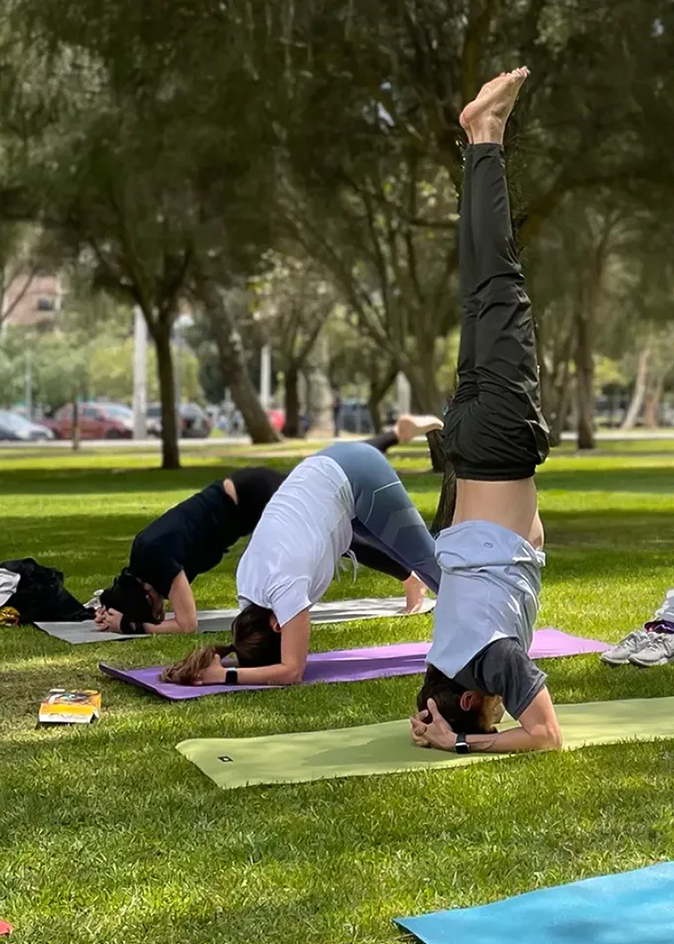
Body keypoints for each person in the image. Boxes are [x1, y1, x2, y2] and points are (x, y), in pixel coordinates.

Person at [409, 68, 563, 756]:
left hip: (497, 444)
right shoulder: (447, 649)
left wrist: (461, 744)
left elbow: (546, 738)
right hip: (469, 447)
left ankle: (487, 133)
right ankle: (478, 136)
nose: (503, 706)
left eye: (489, 711)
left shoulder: (493, 656)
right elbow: (441, 695)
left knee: (499, 279)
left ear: (473, 699)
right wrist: (431, 716)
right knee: (481, 289)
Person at [97, 415, 442, 635]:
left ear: (145, 592)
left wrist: (131, 625)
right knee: (341, 490)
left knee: (344, 531)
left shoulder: (156, 560)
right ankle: (396, 434)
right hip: (244, 495)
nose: (161, 613)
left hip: (249, 497)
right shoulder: (142, 560)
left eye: (154, 610)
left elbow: (186, 625)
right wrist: (105, 610)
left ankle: (411, 579)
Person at [161, 439, 441, 685]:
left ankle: (480, 627)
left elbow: (291, 671)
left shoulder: (286, 587)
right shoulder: (247, 591)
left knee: (432, 565)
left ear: (277, 626)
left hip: (356, 473)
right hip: (327, 473)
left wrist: (225, 676)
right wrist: (218, 665)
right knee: (408, 551)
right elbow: (266, 661)